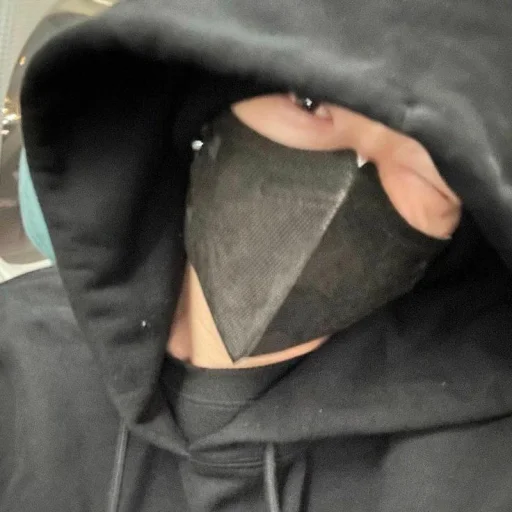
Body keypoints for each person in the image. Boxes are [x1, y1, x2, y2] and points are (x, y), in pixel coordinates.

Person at [2, 1, 512, 511]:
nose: (347, 186)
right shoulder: (17, 353)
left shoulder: (479, 463)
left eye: (430, 171)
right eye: (309, 102)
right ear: (214, 97)